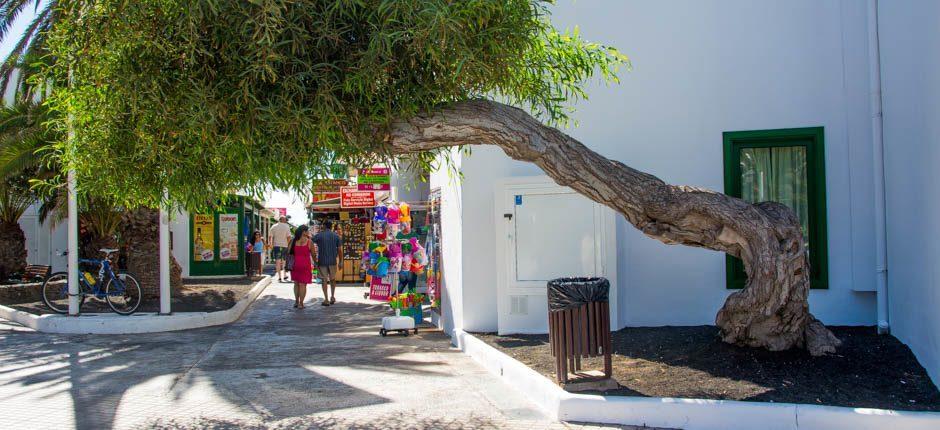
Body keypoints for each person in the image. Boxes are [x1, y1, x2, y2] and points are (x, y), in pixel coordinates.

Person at [312, 220, 342, 305]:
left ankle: (326, 299)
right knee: (332, 279)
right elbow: (339, 250)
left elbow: (311, 242)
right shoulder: (336, 236)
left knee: (324, 280)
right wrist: (340, 262)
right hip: (333, 261)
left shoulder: (320, 235)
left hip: (322, 261)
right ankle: (332, 297)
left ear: (324, 226)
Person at [288, 225, 315, 309]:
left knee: (296, 284)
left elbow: (289, 252)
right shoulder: (309, 242)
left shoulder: (293, 241)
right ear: (304, 232)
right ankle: (301, 303)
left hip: (295, 265)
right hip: (305, 265)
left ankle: (296, 302)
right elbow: (313, 254)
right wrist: (316, 262)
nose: (308, 232)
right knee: (303, 285)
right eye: (307, 230)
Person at [268, 216, 292, 282]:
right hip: (284, 246)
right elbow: (289, 237)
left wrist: (271, 244)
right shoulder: (286, 226)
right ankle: (284, 275)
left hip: (276, 246)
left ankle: (279, 277)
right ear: (283, 220)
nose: (286, 220)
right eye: (285, 219)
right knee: (284, 261)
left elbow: (270, 237)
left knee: (277, 262)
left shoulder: (274, 226)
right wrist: (289, 245)